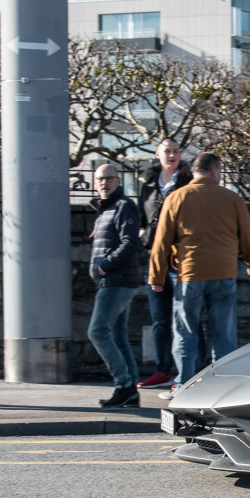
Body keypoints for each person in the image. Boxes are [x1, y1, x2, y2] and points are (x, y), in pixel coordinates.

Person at [149, 152, 250, 391]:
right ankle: (221, 387)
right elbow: (248, 237)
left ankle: (183, 385)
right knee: (224, 336)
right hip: (224, 273)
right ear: (214, 170)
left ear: (192, 172)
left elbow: (162, 240)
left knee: (185, 333)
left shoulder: (176, 198)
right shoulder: (232, 199)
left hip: (189, 274)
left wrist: (156, 275)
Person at [136, 138, 192, 388]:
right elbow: (141, 215)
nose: (172, 155)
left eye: (176, 151)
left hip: (179, 260)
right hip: (153, 258)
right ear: (158, 154)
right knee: (159, 318)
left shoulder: (187, 183)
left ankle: (189, 370)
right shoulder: (148, 185)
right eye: (167, 151)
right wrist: (141, 233)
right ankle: (163, 369)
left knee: (184, 317)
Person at [88, 163, 143, 408]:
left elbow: (130, 242)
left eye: (110, 178)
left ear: (118, 181)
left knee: (97, 331)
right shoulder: (106, 209)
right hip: (110, 281)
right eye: (100, 178)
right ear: (94, 181)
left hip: (116, 281)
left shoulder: (124, 206)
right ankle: (130, 392)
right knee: (118, 336)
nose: (105, 182)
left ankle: (123, 385)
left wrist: (104, 266)